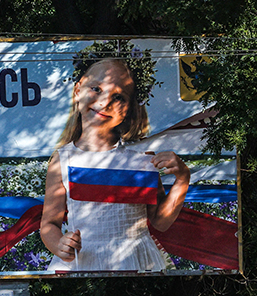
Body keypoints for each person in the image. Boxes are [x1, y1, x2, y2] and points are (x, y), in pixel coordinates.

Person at [40, 45, 191, 272]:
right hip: (84, 261)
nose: (105, 102)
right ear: (78, 90)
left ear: (129, 108)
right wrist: (59, 244)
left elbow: (160, 222)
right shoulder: (63, 160)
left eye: (118, 96)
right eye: (96, 88)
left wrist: (182, 179)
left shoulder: (142, 160)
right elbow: (49, 224)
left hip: (137, 260)